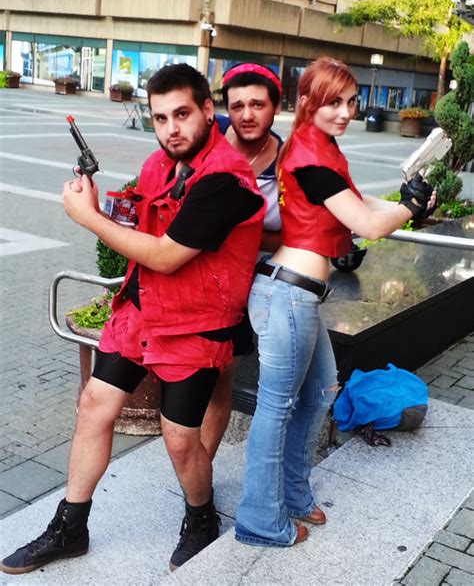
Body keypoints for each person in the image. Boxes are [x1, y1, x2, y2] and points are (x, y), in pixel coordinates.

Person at [0, 63, 265, 575]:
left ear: (208, 111)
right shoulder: (159, 165)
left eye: (182, 114)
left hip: (196, 322)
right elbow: (144, 224)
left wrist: (89, 219)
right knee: (94, 404)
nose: (171, 128)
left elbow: (166, 254)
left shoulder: (227, 181)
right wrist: (104, 205)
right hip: (143, 309)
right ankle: (70, 527)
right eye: (161, 117)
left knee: (178, 437)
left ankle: (201, 516)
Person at [234, 56, 436, 547]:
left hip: (299, 294)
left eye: (351, 102)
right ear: (307, 102)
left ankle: (295, 494)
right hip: (286, 295)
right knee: (277, 408)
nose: (346, 112)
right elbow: (366, 226)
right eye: (333, 103)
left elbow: (360, 205)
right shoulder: (308, 154)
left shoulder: (321, 147)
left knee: (321, 390)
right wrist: (407, 208)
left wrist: (411, 207)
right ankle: (260, 519)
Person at [201, 63, 283, 459]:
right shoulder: (209, 138)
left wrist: (230, 229)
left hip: (245, 283)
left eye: (257, 104)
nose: (247, 115)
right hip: (192, 274)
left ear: (275, 107)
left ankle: (199, 474)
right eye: (237, 105)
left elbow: (291, 233)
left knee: (221, 377)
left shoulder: (286, 161)